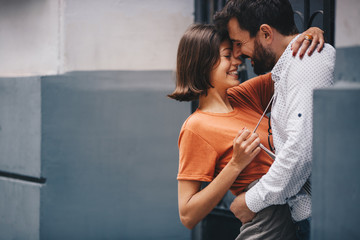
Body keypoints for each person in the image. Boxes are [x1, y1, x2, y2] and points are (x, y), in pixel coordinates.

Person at [168, 23, 325, 239]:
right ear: (202, 64)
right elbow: (187, 215)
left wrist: (307, 35)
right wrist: (235, 164)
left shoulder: (245, 94)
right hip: (267, 222)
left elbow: (292, 66)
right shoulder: (196, 127)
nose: (237, 61)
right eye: (227, 56)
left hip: (296, 209)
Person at [214, 1, 336, 239]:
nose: (238, 53)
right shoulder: (291, 65)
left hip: (319, 218)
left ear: (266, 33)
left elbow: (300, 152)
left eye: (240, 43)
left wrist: (250, 201)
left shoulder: (305, 63)